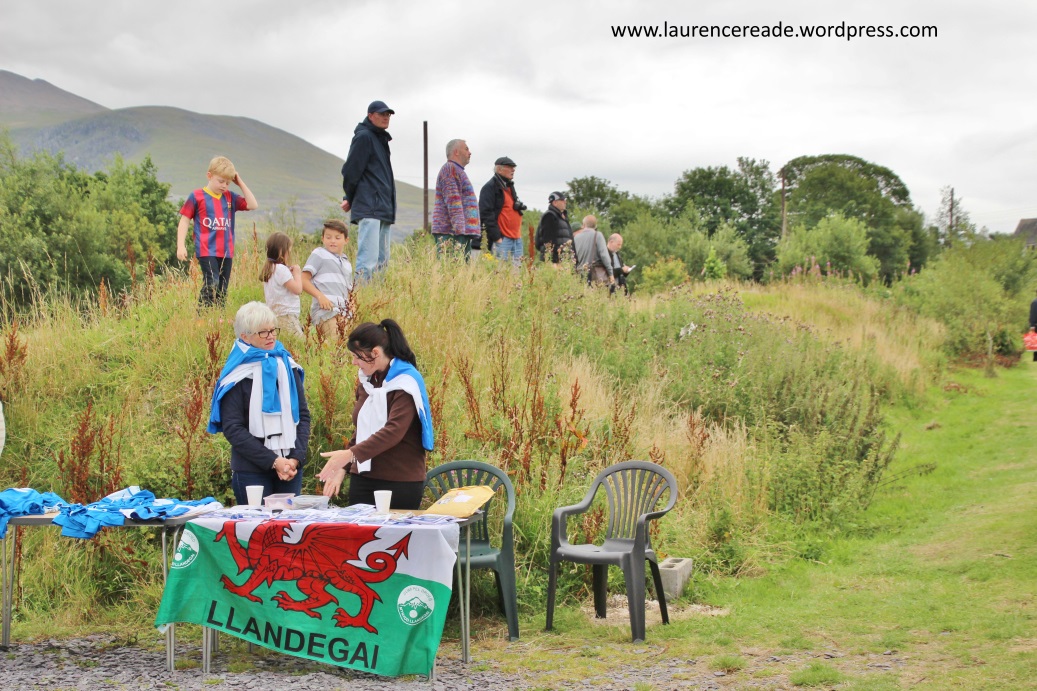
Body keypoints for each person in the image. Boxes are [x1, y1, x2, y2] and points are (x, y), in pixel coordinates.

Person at [317, 320, 434, 510]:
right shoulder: (367, 382)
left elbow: (394, 431)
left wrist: (349, 455)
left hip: (400, 482)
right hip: (363, 479)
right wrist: (343, 467)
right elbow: (362, 430)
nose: (354, 362)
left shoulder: (405, 383)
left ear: (376, 353)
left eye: (357, 356)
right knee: (358, 530)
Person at [208, 302, 310, 505]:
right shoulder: (237, 374)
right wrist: (273, 461)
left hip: (290, 467)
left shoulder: (287, 366)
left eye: (273, 330)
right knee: (256, 525)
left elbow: (303, 416)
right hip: (251, 471)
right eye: (263, 332)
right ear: (245, 336)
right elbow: (233, 428)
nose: (271, 336)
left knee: (288, 526)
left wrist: (295, 459)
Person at [176, 156, 258, 309]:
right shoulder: (197, 196)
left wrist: (239, 182)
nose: (224, 186)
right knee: (212, 282)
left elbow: (253, 205)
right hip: (206, 250)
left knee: (222, 288)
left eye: (228, 183)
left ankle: (218, 318)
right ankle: (203, 315)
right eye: (221, 181)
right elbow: (184, 220)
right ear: (209, 176)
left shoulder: (230, 197)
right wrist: (181, 246)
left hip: (226, 251)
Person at [340, 101, 396, 282]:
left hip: (383, 208)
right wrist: (349, 197)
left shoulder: (380, 139)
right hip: (370, 206)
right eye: (381, 114)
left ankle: (377, 298)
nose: (386, 117)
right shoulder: (364, 137)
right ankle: (361, 296)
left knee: (382, 263)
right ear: (370, 116)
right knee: (368, 262)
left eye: (388, 114)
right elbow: (351, 170)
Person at [302, 220, 354, 341]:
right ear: (322, 239)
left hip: (345, 313)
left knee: (344, 345)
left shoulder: (347, 263)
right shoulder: (319, 254)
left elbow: (350, 290)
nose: (332, 241)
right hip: (326, 311)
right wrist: (320, 296)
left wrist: (352, 305)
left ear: (346, 240)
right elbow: (303, 280)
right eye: (328, 237)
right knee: (333, 342)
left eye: (337, 238)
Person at [432, 139, 480, 259]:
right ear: (456, 152)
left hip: (459, 233)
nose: (470, 152)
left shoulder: (457, 170)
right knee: (451, 268)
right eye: (466, 149)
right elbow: (453, 202)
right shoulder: (450, 169)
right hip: (451, 233)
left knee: (460, 268)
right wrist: (459, 231)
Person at [478, 156, 526, 264]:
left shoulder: (508, 186)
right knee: (500, 271)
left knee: (517, 271)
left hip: (516, 238)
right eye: (510, 167)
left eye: (514, 167)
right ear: (499, 169)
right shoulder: (490, 187)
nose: (513, 170)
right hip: (503, 239)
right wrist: (497, 237)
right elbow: (486, 213)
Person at [260, 232, 304, 338]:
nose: (289, 255)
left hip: (275, 315)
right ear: (281, 252)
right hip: (287, 315)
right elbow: (298, 289)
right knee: (299, 342)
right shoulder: (281, 269)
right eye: (289, 251)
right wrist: (297, 274)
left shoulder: (270, 268)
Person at [572, 215, 614, 287]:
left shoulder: (576, 238)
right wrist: (611, 273)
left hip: (581, 274)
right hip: (596, 275)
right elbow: (604, 256)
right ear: (595, 225)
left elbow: (574, 258)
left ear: (584, 225)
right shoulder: (598, 235)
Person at [534, 192, 574, 263]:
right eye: (562, 200)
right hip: (554, 261)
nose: (565, 202)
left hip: (563, 260)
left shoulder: (562, 217)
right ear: (555, 202)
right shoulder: (549, 216)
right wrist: (554, 260)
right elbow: (548, 241)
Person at [1029, 288, 1037, 361]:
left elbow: (1032, 315)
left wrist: (1032, 325)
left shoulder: (1034, 302)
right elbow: (1033, 315)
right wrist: (1032, 325)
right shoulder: (1035, 302)